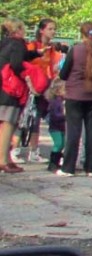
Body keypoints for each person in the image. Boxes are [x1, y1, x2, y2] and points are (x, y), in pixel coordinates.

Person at [56, 22, 92, 177]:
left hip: (75, 95)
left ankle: (68, 168)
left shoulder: (75, 50)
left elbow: (63, 74)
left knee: (73, 131)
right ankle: (91, 167)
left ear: (82, 34)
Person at [11, 18, 64, 164]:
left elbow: (53, 68)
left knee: (36, 120)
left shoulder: (52, 49)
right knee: (24, 119)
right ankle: (14, 150)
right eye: (50, 29)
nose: (53, 32)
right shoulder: (32, 47)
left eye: (54, 29)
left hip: (44, 87)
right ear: (41, 30)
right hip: (30, 87)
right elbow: (24, 66)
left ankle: (34, 152)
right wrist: (29, 83)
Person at [0, 18, 37, 173]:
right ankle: (3, 160)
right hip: (11, 90)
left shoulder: (5, 42)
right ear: (18, 30)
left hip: (3, 86)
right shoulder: (17, 43)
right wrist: (27, 76)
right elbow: (16, 63)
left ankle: (6, 158)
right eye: (23, 28)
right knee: (9, 123)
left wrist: (35, 53)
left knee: (7, 123)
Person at [46, 79, 66, 172]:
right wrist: (64, 115)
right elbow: (55, 115)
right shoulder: (55, 102)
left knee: (63, 143)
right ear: (58, 91)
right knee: (58, 144)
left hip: (62, 127)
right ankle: (52, 163)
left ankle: (57, 161)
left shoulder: (63, 101)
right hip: (55, 127)